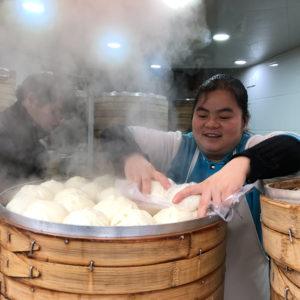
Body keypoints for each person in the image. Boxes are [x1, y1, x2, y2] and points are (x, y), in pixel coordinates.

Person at [100, 74, 300, 300]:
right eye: (202, 114)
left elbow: (293, 144)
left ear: (245, 121)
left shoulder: (252, 147)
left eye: (224, 116)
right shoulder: (178, 146)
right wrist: (132, 156)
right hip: (186, 287)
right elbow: (113, 133)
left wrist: (241, 165)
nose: (211, 124)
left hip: (246, 290)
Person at [0, 72, 75, 191]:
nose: (58, 122)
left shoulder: (32, 139)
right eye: (54, 111)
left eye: (61, 116)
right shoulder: (3, 133)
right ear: (31, 99)